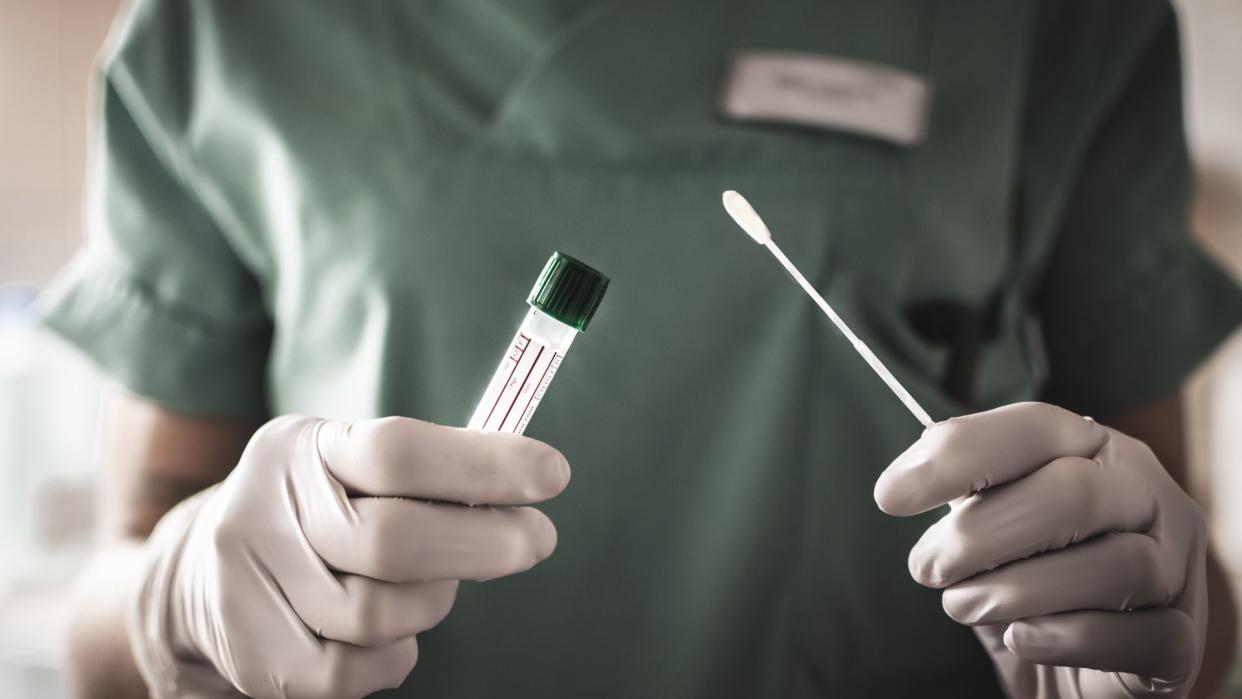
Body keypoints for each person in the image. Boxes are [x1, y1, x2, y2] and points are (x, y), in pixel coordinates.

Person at [39, 0, 1242, 697]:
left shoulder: (1057, 22)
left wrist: (1167, 616)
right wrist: (174, 593)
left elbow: (1185, 586)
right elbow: (98, 634)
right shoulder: (227, 29)